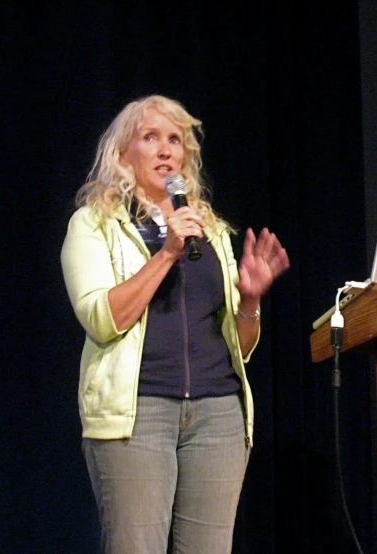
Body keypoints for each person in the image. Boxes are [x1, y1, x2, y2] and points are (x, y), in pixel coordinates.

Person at [60, 94, 289, 553]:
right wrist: (165, 252)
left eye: (175, 140)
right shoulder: (95, 224)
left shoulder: (212, 232)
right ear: (124, 153)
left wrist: (250, 299)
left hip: (219, 415)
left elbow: (240, 346)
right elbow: (103, 319)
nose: (166, 150)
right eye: (151, 138)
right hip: (137, 414)